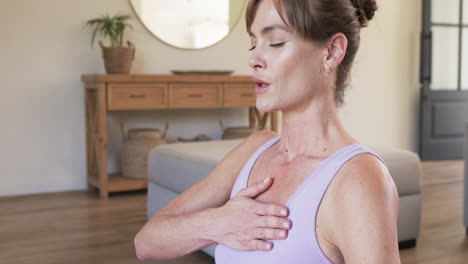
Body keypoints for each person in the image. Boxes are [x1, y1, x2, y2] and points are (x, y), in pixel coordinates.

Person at [134, 0, 400, 263]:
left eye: (275, 42)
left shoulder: (359, 179)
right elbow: (146, 243)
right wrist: (217, 223)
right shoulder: (255, 148)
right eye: (253, 43)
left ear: (331, 52)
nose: (253, 59)